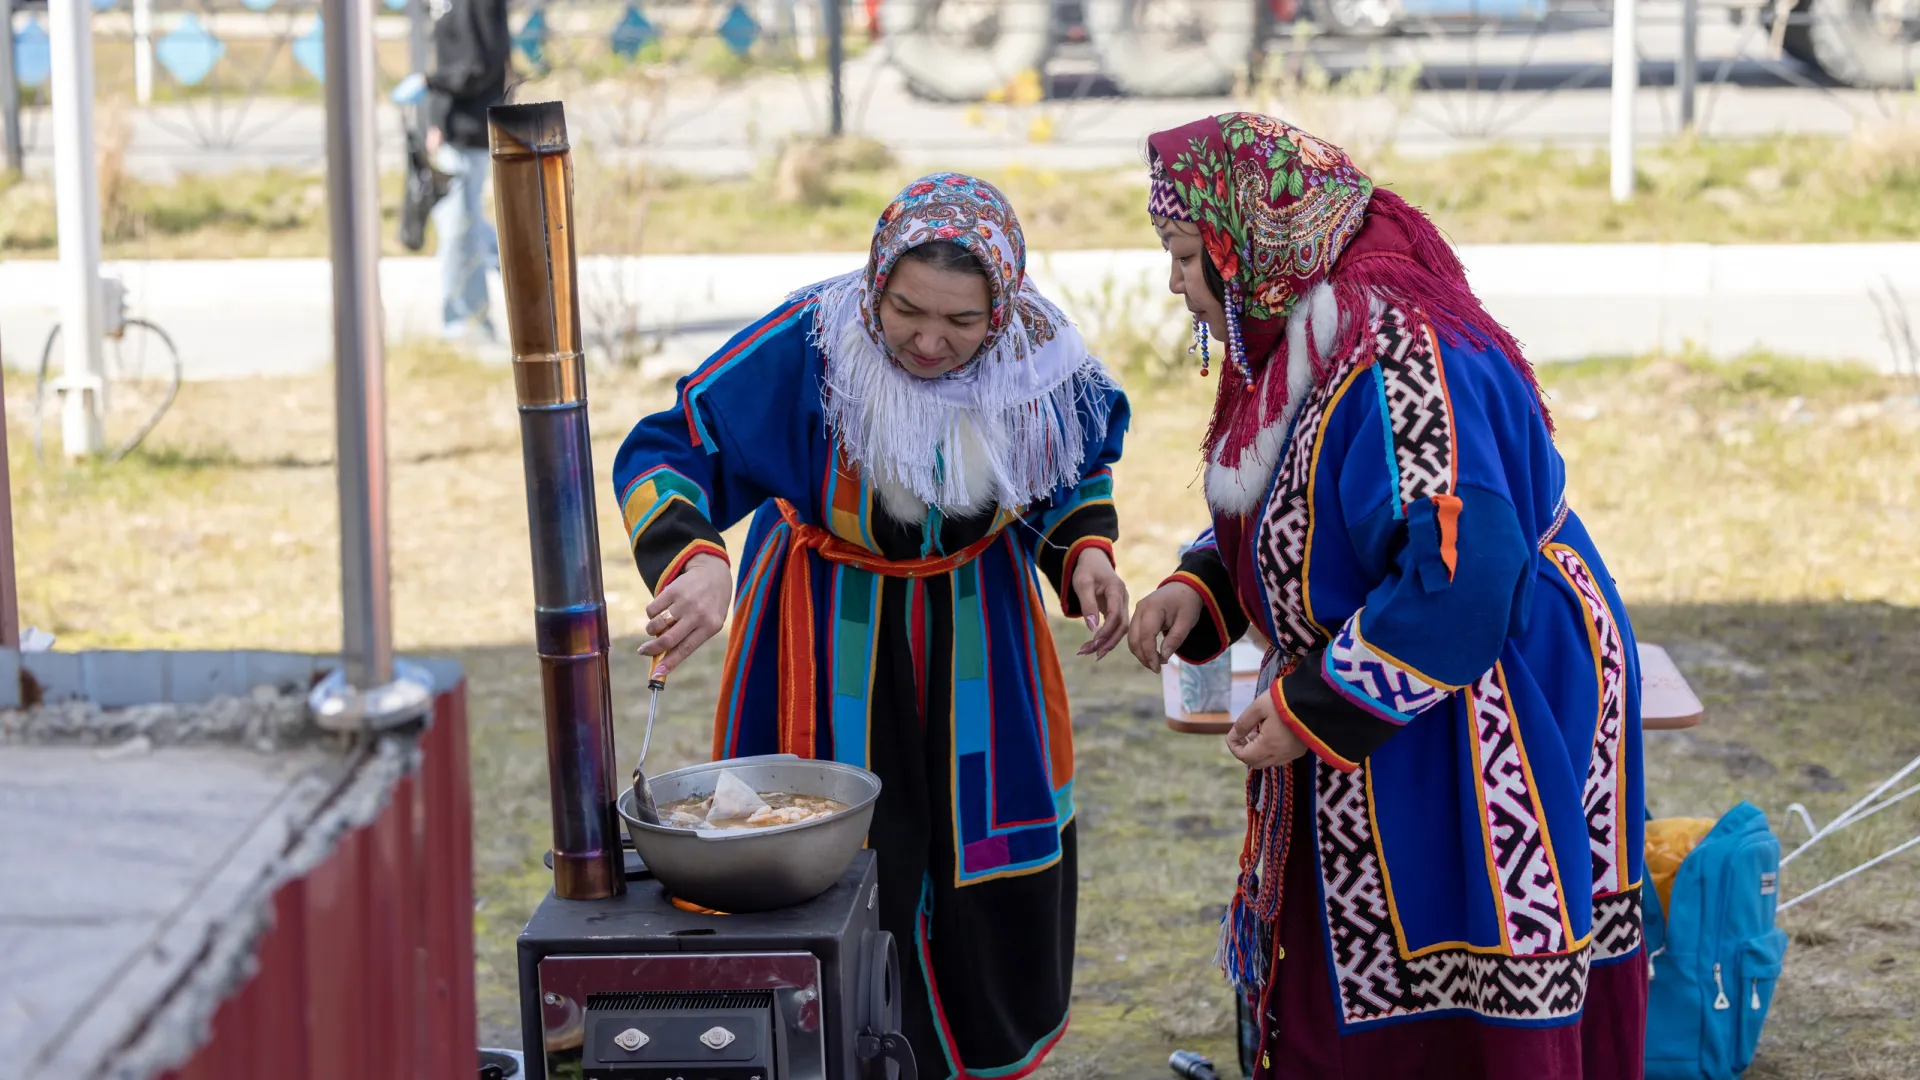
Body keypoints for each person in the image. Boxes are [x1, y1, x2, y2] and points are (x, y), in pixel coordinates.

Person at [1126, 113, 1647, 1080]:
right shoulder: (1313, 309)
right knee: (1373, 961)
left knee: (1469, 958)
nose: (1175, 281)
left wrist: (1313, 706)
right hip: (1415, 661)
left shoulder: (1402, 352)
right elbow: (1315, 503)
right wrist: (1204, 585)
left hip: (1479, 680)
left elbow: (1460, 576)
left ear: (1251, 240)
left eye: (1188, 253)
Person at [611, 173, 1132, 1080]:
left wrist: (1085, 553)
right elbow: (668, 445)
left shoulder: (1041, 359)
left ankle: (973, 1059)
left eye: (962, 323)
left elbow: (1069, 473)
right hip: (818, 631)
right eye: (906, 310)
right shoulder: (810, 343)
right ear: (875, 281)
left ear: (1001, 311)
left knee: (982, 852)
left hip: (982, 631)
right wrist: (697, 560)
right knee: (822, 858)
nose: (929, 341)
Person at [393, 0, 510, 342]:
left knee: (460, 233)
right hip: (450, 129)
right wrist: (435, 120)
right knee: (464, 225)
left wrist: (432, 82)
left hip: (471, 128)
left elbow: (480, 64)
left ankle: (467, 325)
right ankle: (533, 285)